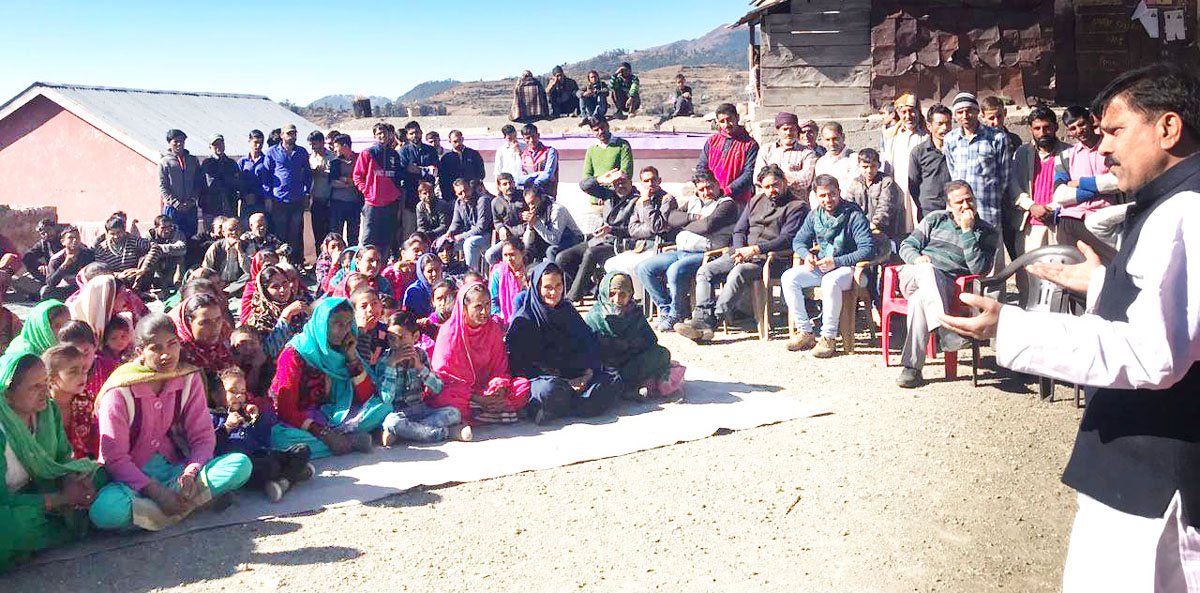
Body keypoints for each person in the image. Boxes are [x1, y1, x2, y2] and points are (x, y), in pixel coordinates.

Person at [938, 63, 1200, 591]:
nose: (1103, 147)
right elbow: (1175, 315)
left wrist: (1009, 329)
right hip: (1136, 458)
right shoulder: (1174, 202)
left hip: (1152, 467)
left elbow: (1156, 355)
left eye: (1115, 131)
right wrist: (1103, 285)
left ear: (1168, 128)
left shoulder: (1185, 212)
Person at [88, 314, 251, 531]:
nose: (166, 354)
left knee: (240, 464)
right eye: (155, 348)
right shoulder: (119, 390)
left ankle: (152, 516)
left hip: (177, 472)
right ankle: (188, 507)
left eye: (172, 344)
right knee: (104, 512)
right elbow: (114, 458)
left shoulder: (188, 378)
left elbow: (202, 437)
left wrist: (190, 473)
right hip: (133, 481)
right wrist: (156, 492)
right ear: (140, 353)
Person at [676, 165, 809, 342]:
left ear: (784, 182)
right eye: (766, 187)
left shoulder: (797, 206)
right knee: (705, 270)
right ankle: (701, 318)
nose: (771, 190)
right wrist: (740, 250)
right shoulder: (755, 200)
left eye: (775, 185)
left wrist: (755, 250)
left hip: (770, 258)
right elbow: (739, 230)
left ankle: (711, 321)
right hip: (741, 253)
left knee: (738, 272)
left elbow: (787, 239)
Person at [0, 351, 101, 572]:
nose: (45, 391)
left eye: (45, 382)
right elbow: (3, 499)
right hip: (10, 504)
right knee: (7, 527)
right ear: (8, 394)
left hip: (40, 488)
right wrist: (59, 499)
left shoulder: (47, 411)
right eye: (34, 387)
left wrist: (70, 482)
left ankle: (31, 543)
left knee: (99, 476)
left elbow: (63, 457)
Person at [893, 181, 997, 388]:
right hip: (914, 275)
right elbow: (907, 245)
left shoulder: (987, 232)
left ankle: (912, 369)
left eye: (969, 200)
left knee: (919, 301)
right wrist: (916, 259)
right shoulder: (935, 219)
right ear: (949, 206)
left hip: (947, 285)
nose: (966, 205)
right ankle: (946, 331)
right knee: (927, 270)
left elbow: (979, 269)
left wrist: (968, 233)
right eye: (959, 202)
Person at [269, 297, 384, 459]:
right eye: (337, 324)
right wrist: (324, 434)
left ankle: (336, 442)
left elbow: (367, 396)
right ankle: (349, 442)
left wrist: (351, 357)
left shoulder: (343, 348)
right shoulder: (295, 353)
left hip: (331, 414)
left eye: (348, 324)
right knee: (279, 439)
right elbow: (286, 409)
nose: (344, 331)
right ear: (322, 323)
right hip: (298, 420)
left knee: (381, 408)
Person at [506, 263, 620, 423]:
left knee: (612, 380)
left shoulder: (567, 310)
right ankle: (573, 405)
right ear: (537, 288)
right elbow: (521, 366)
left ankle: (556, 409)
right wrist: (564, 382)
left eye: (558, 286)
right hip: (544, 380)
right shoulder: (524, 320)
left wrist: (588, 373)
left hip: (576, 375)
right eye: (547, 287)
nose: (554, 292)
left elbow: (588, 342)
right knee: (548, 390)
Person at [781, 175, 874, 358]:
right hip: (824, 265)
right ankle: (805, 332)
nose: (828, 200)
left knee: (831, 281)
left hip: (851, 268)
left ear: (839, 192)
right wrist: (806, 255)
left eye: (832, 194)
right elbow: (799, 241)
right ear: (815, 195)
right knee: (789, 277)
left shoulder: (853, 214)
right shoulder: (816, 215)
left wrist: (836, 262)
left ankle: (828, 337)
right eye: (822, 195)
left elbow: (867, 249)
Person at [636, 171, 739, 331]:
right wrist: (692, 218)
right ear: (697, 190)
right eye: (702, 189)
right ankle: (666, 308)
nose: (706, 192)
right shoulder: (693, 202)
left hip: (707, 254)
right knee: (644, 268)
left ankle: (676, 314)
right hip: (681, 251)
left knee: (674, 270)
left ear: (718, 185)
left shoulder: (726, 204)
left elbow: (708, 226)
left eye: (710, 187)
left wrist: (685, 223)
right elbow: (671, 217)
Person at [428, 282, 530, 424]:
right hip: (463, 394)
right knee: (443, 398)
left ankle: (482, 413)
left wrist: (498, 389)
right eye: (478, 307)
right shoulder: (449, 333)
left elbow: (500, 368)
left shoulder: (493, 329)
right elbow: (443, 377)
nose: (484, 312)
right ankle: (492, 413)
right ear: (464, 308)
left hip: (487, 390)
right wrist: (477, 398)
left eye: (488, 305)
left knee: (522, 386)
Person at [211, 366, 313, 503]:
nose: (239, 396)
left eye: (242, 392)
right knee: (270, 467)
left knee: (302, 449)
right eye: (233, 391)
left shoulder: (246, 414)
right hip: (247, 466)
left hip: (262, 454)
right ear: (216, 396)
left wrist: (257, 418)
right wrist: (227, 427)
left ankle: (285, 480)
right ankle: (292, 474)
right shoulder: (213, 418)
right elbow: (212, 446)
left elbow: (264, 440)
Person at [1007, 105, 1072, 303]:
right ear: (1030, 129)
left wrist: (1053, 208)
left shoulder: (1070, 152)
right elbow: (1013, 186)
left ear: (1055, 127)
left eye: (1047, 128)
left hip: (1058, 222)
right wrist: (1031, 205)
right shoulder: (1022, 153)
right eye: (1037, 128)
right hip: (1030, 225)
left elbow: (1073, 187)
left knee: (1059, 275)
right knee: (1029, 278)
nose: (1042, 133)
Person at [376, 310, 470, 445]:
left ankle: (408, 432)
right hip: (398, 412)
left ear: (415, 337)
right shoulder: (385, 360)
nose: (396, 344)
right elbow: (386, 398)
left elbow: (437, 388)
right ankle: (444, 433)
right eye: (392, 338)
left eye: (402, 338)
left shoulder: (421, 356)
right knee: (393, 423)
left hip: (420, 409)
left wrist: (420, 368)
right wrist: (391, 366)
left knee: (454, 413)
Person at [944, 91, 1011, 270]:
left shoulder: (997, 138)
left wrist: (993, 200)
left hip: (987, 209)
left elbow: (1003, 177)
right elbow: (953, 174)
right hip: (960, 210)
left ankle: (993, 298)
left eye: (969, 111)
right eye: (960, 112)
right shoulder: (950, 139)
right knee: (962, 257)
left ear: (977, 112)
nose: (965, 116)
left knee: (992, 262)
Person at [584, 272, 675, 400]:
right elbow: (587, 352)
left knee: (662, 354)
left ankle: (627, 386)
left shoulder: (634, 312)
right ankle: (624, 387)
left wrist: (634, 345)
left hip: (631, 363)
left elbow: (651, 342)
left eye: (622, 294)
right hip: (607, 368)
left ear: (630, 295)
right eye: (611, 294)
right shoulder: (595, 317)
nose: (617, 299)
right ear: (604, 293)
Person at [1052, 106, 1122, 263]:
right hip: (1069, 220)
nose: (1079, 130)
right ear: (1069, 132)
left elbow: (1119, 181)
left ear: (1091, 121)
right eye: (1073, 128)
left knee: (1113, 267)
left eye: (1081, 124)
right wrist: (1098, 188)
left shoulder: (1110, 149)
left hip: (1103, 220)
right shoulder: (1065, 156)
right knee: (1071, 274)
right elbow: (1059, 194)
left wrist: (1079, 183)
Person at [559, 170, 639, 302]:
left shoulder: (636, 201)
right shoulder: (609, 195)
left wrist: (612, 230)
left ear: (630, 182)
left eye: (623, 182)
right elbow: (585, 185)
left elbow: (633, 230)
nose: (620, 186)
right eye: (616, 183)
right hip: (600, 239)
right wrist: (600, 179)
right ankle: (586, 287)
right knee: (563, 257)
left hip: (620, 243)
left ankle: (573, 297)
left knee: (591, 253)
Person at [603, 166, 679, 297]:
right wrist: (651, 227)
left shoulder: (667, 199)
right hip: (641, 247)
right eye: (646, 181)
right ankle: (630, 298)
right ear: (641, 183)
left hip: (660, 247)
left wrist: (647, 206)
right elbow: (633, 230)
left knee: (634, 266)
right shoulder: (640, 202)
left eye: (653, 180)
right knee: (610, 264)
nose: (650, 184)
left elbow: (658, 226)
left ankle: (641, 300)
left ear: (659, 180)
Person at [354, 123, 405, 255]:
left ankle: (382, 267)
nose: (382, 136)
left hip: (390, 203)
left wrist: (396, 193)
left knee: (387, 238)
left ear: (389, 135)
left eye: (384, 133)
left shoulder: (394, 154)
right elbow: (357, 175)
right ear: (374, 136)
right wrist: (367, 191)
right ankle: (363, 267)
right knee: (368, 238)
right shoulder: (368, 153)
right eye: (379, 134)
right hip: (372, 203)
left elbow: (398, 176)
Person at [263, 124, 311, 266]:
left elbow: (307, 174)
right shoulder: (272, 152)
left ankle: (296, 264)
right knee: (280, 233)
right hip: (279, 200)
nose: (292, 136)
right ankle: (281, 264)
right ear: (282, 135)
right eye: (289, 134)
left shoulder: (301, 152)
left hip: (297, 199)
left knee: (296, 233)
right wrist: (268, 197)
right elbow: (266, 176)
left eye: (294, 133)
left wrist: (307, 192)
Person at [881, 93, 929, 233]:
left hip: (921, 191)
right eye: (903, 112)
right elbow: (887, 167)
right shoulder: (892, 138)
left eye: (912, 111)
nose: (908, 116)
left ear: (918, 112)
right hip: (899, 191)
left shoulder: (926, 137)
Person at [168, 294, 236, 391]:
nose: (214, 327)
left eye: (218, 319)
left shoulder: (222, 348)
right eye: (205, 322)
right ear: (188, 322)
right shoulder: (177, 355)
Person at [43, 343, 98, 460]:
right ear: (51, 379)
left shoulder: (86, 402)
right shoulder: (41, 406)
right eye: (73, 372)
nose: (82, 376)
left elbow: (95, 442)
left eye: (84, 370)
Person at [697, 103, 759, 204]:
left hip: (738, 200)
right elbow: (702, 166)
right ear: (717, 122)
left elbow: (749, 174)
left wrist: (725, 191)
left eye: (729, 119)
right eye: (722, 121)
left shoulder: (749, 145)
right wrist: (704, 187)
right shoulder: (712, 141)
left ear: (737, 118)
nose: (726, 125)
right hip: (711, 197)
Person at [245, 264, 307, 361]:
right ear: (265, 291)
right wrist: (286, 316)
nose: (283, 290)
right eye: (275, 286)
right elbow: (269, 352)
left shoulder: (298, 305)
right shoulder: (259, 318)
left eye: (285, 283)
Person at [845, 148, 904, 246]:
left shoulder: (886, 182)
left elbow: (885, 207)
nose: (869, 171)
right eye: (865, 167)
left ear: (879, 165)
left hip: (883, 230)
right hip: (859, 230)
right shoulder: (855, 183)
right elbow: (848, 206)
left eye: (873, 166)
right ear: (858, 165)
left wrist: (874, 224)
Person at [754, 112, 817, 198]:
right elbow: (758, 178)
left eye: (792, 129)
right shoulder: (766, 150)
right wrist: (791, 177)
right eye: (785, 129)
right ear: (778, 131)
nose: (789, 133)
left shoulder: (807, 152)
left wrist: (773, 179)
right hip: (768, 201)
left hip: (795, 202)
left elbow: (805, 181)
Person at [908, 104, 954, 220]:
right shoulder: (919, 152)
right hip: (929, 212)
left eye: (948, 123)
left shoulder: (958, 149)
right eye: (940, 124)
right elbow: (913, 184)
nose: (945, 128)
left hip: (955, 210)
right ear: (929, 126)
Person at [439, 178, 493, 273]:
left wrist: (462, 236)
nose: (464, 195)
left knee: (469, 244)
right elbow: (456, 222)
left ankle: (471, 274)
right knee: (444, 243)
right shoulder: (459, 202)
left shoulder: (482, 200)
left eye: (465, 191)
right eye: (460, 193)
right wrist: (449, 233)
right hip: (469, 234)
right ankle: (450, 272)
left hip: (486, 235)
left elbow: (481, 227)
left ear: (470, 188)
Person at [159, 128, 204, 239]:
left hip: (190, 207)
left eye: (182, 141)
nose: (179, 144)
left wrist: (192, 200)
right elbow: (163, 186)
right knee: (172, 236)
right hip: (172, 208)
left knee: (191, 237)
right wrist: (176, 203)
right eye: (175, 141)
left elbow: (198, 183)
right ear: (170, 143)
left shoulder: (192, 160)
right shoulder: (165, 162)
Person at [399, 121, 440, 241]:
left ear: (421, 133)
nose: (414, 135)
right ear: (407, 135)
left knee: (428, 229)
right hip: (410, 197)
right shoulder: (404, 151)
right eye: (411, 133)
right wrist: (426, 170)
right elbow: (405, 170)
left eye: (417, 132)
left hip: (429, 197)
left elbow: (435, 171)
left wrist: (418, 170)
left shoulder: (430, 150)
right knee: (410, 230)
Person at [520, 186, 582, 263]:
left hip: (573, 241)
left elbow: (555, 240)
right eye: (529, 204)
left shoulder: (557, 210)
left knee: (551, 251)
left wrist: (536, 223)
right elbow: (527, 243)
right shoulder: (536, 212)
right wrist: (530, 226)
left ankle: (553, 273)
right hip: (551, 243)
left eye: (533, 202)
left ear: (542, 198)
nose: (531, 207)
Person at [94, 213, 158, 286]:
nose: (116, 236)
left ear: (124, 230)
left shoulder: (133, 240)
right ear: (107, 233)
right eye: (112, 234)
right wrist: (118, 275)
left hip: (135, 277)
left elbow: (155, 247)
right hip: (114, 281)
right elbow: (100, 269)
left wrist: (143, 268)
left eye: (119, 232)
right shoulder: (101, 249)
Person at [580, 117, 634, 199]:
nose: (600, 132)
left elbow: (626, 173)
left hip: (617, 200)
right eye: (596, 130)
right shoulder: (591, 150)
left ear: (608, 126)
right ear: (592, 131)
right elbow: (586, 178)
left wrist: (607, 192)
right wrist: (600, 191)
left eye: (602, 127)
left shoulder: (622, 145)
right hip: (596, 201)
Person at [813, 122, 858, 209]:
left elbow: (853, 189)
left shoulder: (854, 159)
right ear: (822, 140)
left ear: (843, 137)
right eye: (827, 140)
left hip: (849, 209)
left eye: (835, 138)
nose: (832, 143)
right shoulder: (821, 163)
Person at [42, 226, 93, 301]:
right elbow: (50, 282)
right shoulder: (56, 259)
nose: (75, 240)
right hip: (65, 289)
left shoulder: (88, 254)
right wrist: (64, 265)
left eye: (77, 237)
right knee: (45, 291)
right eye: (70, 238)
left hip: (83, 288)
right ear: (63, 241)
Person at [328, 133, 362, 245]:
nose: (334, 149)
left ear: (345, 146)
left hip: (354, 202)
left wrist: (345, 180)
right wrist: (351, 182)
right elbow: (333, 181)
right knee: (336, 235)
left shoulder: (359, 160)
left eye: (336, 146)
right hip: (337, 203)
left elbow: (362, 179)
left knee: (353, 234)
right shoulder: (335, 162)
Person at [200, 134, 240, 229]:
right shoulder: (207, 163)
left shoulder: (231, 163)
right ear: (210, 147)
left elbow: (237, 184)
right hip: (211, 208)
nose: (219, 146)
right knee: (211, 234)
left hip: (229, 206)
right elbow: (204, 185)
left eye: (221, 143)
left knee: (230, 232)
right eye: (215, 145)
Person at [486, 173, 527, 265]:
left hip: (524, 235)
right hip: (508, 238)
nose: (509, 186)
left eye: (511, 183)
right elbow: (496, 221)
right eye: (505, 184)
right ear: (499, 187)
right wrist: (501, 228)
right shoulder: (495, 202)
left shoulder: (523, 196)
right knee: (490, 255)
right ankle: (501, 276)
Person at [488, 237, 529, 325]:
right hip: (503, 320)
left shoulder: (530, 272)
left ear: (523, 253)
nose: (509, 259)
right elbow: (492, 300)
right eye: (505, 255)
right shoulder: (498, 273)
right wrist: (499, 314)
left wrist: (523, 283)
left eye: (512, 254)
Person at [203, 217, 249, 293]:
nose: (234, 233)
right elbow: (206, 268)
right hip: (219, 283)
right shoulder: (216, 247)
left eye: (237, 229)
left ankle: (228, 292)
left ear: (241, 231)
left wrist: (240, 251)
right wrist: (218, 282)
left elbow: (248, 270)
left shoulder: (247, 245)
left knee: (249, 275)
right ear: (223, 232)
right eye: (230, 230)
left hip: (236, 285)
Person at [439, 130, 485, 202]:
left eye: (459, 140)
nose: (458, 143)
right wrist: (446, 197)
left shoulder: (473, 154)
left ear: (462, 139)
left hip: (473, 194)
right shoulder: (446, 158)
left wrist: (473, 185)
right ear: (450, 141)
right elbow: (443, 180)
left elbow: (481, 173)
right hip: (454, 196)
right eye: (455, 141)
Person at [145, 215, 187, 290]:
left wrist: (159, 248)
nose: (167, 230)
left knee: (180, 257)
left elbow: (182, 249)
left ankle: (179, 285)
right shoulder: (148, 236)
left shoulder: (177, 233)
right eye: (163, 228)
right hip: (157, 266)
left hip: (171, 264)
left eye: (169, 227)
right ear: (156, 228)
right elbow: (148, 251)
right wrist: (170, 249)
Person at [517, 124, 559, 198]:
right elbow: (517, 179)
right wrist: (538, 174)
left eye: (533, 136)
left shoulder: (550, 152)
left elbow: (548, 174)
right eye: (527, 138)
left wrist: (531, 183)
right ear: (523, 139)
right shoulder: (522, 155)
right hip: (528, 199)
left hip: (546, 196)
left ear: (538, 135)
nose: (531, 140)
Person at [308, 131, 333, 253]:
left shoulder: (332, 157)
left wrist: (322, 173)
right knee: (317, 233)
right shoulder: (310, 158)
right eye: (311, 145)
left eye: (315, 144)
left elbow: (335, 177)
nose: (313, 147)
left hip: (330, 200)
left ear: (322, 143)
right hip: (316, 200)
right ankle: (320, 260)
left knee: (330, 234)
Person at [237, 130, 270, 222]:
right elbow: (238, 182)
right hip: (246, 201)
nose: (258, 145)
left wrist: (267, 198)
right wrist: (244, 195)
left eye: (261, 143)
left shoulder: (267, 161)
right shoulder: (242, 162)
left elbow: (269, 181)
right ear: (249, 142)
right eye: (255, 142)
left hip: (261, 201)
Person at [22, 218, 61, 294]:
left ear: (55, 229)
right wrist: (39, 266)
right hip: (51, 274)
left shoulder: (64, 240)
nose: (47, 235)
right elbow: (27, 257)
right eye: (43, 233)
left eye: (49, 230)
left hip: (66, 272)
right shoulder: (44, 243)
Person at [979, 96, 1024, 161]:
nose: (996, 122)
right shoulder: (978, 141)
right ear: (983, 117)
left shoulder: (1014, 140)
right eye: (991, 118)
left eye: (999, 116)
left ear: (1005, 113)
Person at [403, 253, 444, 318]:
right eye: (430, 271)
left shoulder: (445, 288)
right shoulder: (414, 291)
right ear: (422, 273)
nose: (434, 274)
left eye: (437, 270)